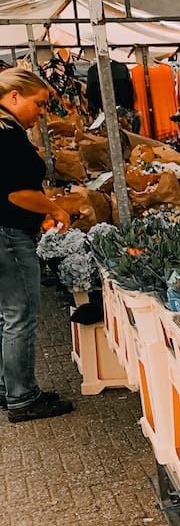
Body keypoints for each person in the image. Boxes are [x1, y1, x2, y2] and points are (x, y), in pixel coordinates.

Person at [0, 68, 75, 422]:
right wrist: (54, 208)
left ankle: (8, 387)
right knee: (21, 315)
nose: (42, 113)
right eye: (39, 104)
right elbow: (17, 194)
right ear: (14, 97)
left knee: (7, 316)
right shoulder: (8, 135)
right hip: (9, 236)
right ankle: (23, 398)